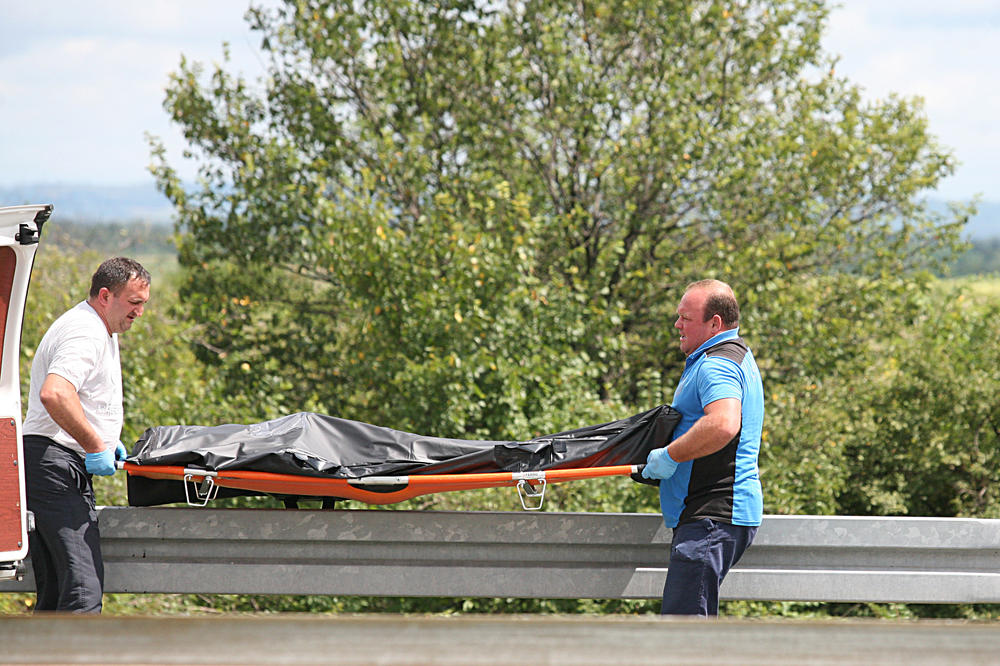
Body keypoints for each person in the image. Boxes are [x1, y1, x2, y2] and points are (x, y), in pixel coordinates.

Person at [22, 257, 151, 613]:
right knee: (82, 590)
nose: (139, 312)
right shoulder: (86, 331)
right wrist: (95, 444)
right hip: (55, 466)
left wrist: (106, 438)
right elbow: (56, 393)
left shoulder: (95, 327)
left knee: (57, 593)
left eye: (144, 304)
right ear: (106, 296)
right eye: (134, 302)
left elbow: (79, 396)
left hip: (50, 464)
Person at [641, 279, 764, 616]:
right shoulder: (734, 355)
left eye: (686, 318)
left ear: (715, 323)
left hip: (711, 515)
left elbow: (723, 423)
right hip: (712, 516)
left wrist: (670, 455)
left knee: (684, 635)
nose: (677, 325)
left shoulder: (716, 364)